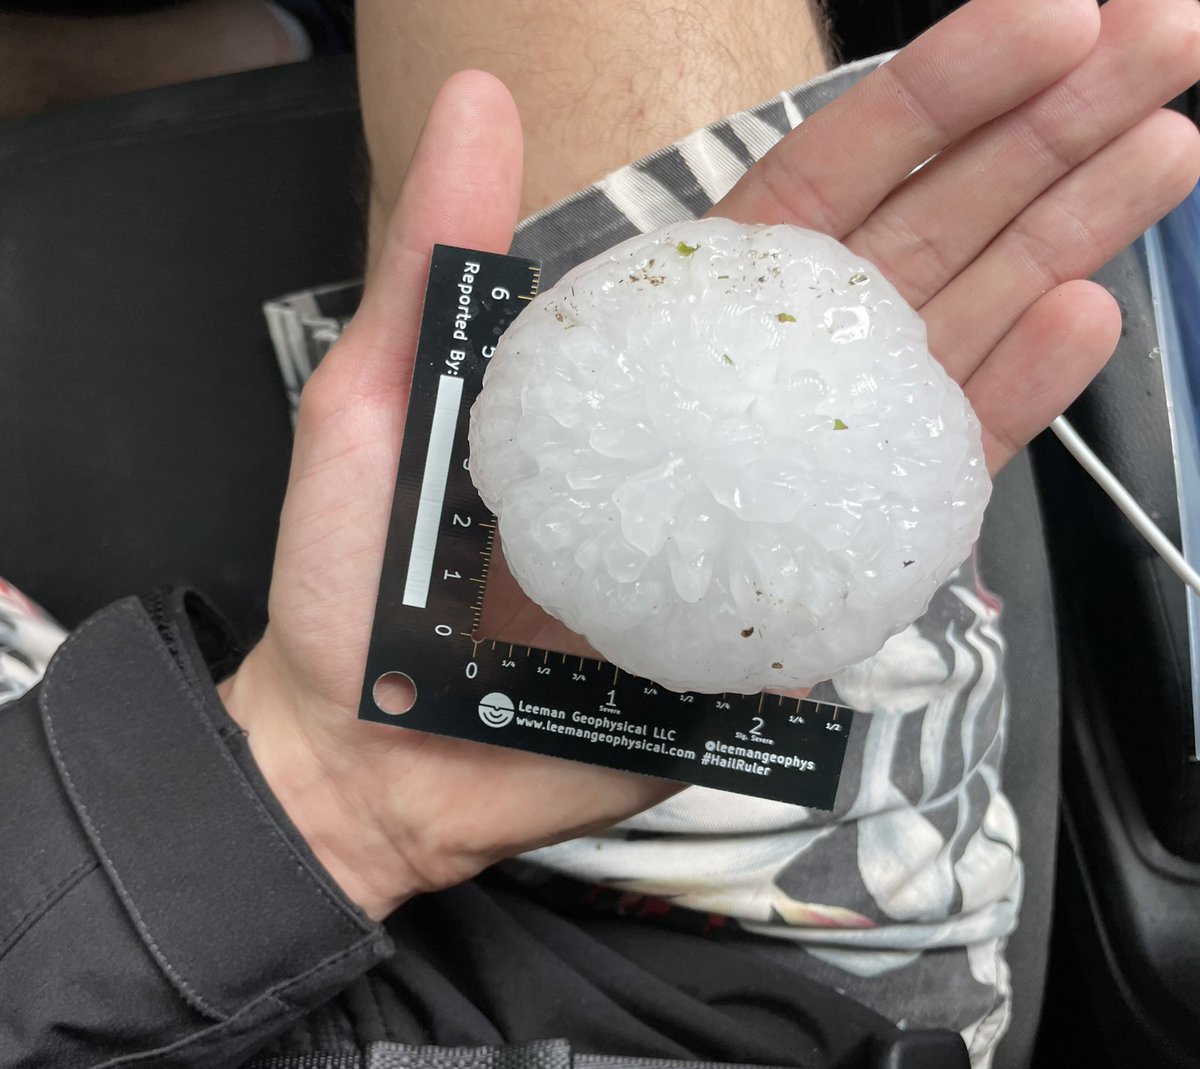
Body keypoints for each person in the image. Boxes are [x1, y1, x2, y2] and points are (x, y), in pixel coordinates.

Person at [0, 0, 1198, 1066]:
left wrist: (313, 797)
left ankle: (189, 50)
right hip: (772, 1005)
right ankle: (226, 43)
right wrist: (331, 800)